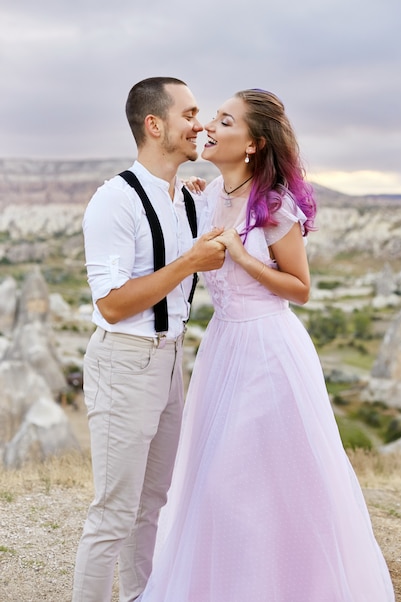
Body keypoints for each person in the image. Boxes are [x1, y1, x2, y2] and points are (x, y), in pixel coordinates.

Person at [137, 89, 396, 601]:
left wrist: (241, 254)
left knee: (253, 483)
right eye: (212, 117)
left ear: (253, 143)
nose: (210, 126)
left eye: (224, 120)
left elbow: (300, 289)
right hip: (223, 348)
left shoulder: (275, 206)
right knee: (215, 482)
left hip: (270, 353)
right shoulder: (209, 195)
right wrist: (196, 192)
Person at [72, 77, 226, 602]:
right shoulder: (114, 201)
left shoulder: (187, 199)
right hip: (126, 361)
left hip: (172, 359)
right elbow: (112, 303)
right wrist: (188, 262)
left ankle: (141, 597)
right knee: (113, 513)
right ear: (153, 124)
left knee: (152, 501)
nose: (199, 124)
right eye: (190, 113)